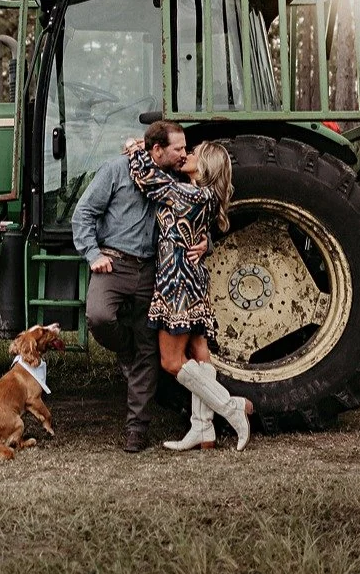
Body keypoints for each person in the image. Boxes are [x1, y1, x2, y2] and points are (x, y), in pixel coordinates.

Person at [71, 126, 205, 453]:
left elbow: (198, 217)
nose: (184, 154)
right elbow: (84, 213)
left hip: (153, 271)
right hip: (115, 263)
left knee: (149, 348)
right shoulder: (117, 170)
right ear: (157, 149)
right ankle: (125, 347)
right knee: (100, 317)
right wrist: (93, 254)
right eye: (178, 149)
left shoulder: (178, 181)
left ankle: (137, 428)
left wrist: (205, 243)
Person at [127, 122, 253, 452]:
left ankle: (230, 407)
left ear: (206, 165)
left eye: (194, 153)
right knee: (199, 353)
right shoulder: (205, 196)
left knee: (171, 361)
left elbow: (147, 179)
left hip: (177, 282)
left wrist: (137, 148)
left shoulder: (188, 193)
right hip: (193, 279)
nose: (188, 154)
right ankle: (203, 429)